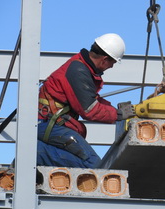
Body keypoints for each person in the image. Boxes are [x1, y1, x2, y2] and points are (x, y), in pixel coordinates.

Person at [37, 33, 135, 168]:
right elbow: (90, 110)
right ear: (104, 59)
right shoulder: (78, 70)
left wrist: (115, 110)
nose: (111, 67)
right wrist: (118, 114)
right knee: (93, 166)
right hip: (48, 124)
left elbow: (91, 98)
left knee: (83, 164)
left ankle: (41, 153)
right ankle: (38, 153)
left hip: (49, 123)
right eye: (112, 63)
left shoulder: (81, 67)